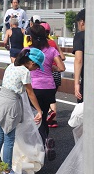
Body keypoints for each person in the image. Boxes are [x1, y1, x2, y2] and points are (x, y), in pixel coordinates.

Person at [0, 48, 43, 173]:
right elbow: (30, 93)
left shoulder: (11, 66)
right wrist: (39, 110)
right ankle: (6, 170)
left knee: (0, 136)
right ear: (32, 63)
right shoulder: (25, 71)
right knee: (9, 139)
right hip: (10, 105)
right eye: (37, 67)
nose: (37, 70)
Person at [27, 24, 65, 161]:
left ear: (30, 37)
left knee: (32, 118)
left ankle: (39, 144)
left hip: (34, 88)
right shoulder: (51, 50)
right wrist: (51, 68)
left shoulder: (28, 50)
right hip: (49, 88)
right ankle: (45, 142)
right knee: (42, 117)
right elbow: (62, 67)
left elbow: (18, 65)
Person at [41, 22, 66, 128]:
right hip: (57, 74)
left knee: (42, 97)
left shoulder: (40, 44)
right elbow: (63, 57)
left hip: (46, 73)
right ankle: (53, 121)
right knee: (52, 97)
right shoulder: (53, 42)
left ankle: (43, 117)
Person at [73, 9, 85, 103]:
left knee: (82, 111)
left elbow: (79, 59)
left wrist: (76, 83)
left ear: (82, 22)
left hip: (88, 79)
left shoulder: (80, 36)